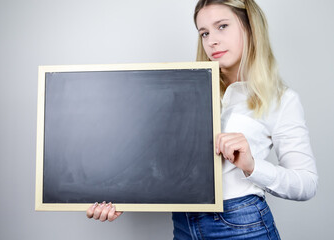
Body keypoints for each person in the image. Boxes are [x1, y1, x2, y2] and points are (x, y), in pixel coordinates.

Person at [86, 0, 318, 239]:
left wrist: (252, 166)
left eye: (222, 26)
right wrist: (125, 196)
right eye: (204, 33)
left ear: (250, 27)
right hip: (184, 224)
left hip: (243, 225)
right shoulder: (181, 94)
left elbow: (307, 183)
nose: (211, 41)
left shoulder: (281, 100)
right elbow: (161, 166)